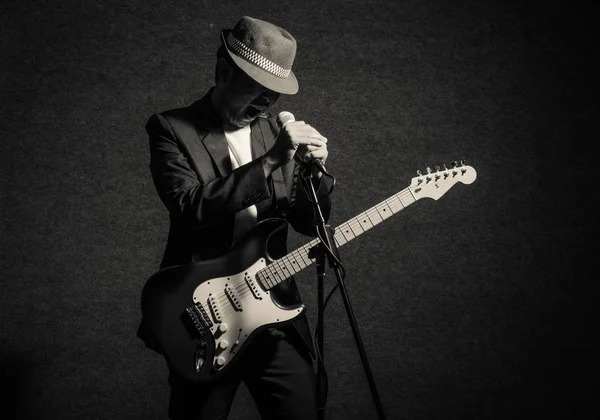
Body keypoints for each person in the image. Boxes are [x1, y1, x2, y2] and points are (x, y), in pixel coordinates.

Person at [139, 16, 333, 420]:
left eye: (272, 96)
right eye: (256, 92)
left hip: (272, 309)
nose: (264, 104)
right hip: (203, 317)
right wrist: (271, 162)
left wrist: (317, 174)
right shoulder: (172, 129)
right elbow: (189, 206)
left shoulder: (272, 134)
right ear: (223, 70)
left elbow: (306, 222)